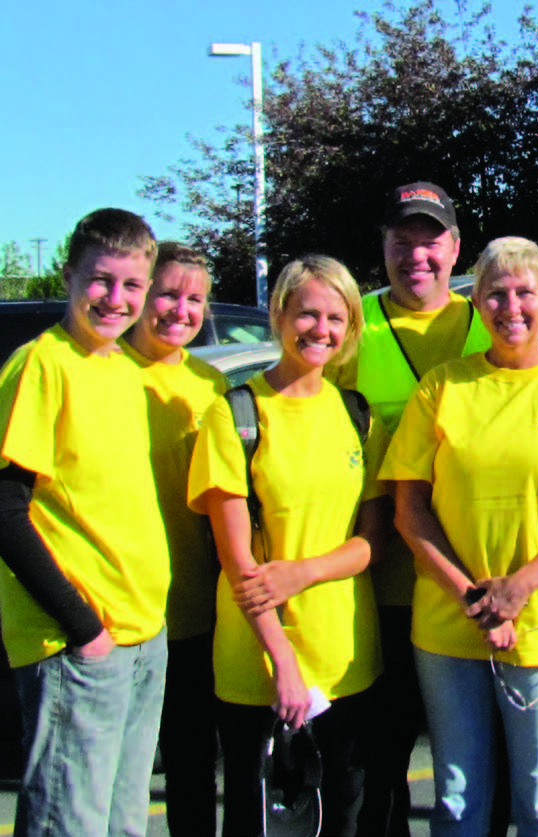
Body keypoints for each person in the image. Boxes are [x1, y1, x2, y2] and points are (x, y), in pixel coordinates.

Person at [382, 236, 538, 836]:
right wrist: (473, 596)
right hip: (449, 628)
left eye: (525, 292)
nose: (511, 306)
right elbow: (408, 508)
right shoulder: (442, 388)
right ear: (478, 302)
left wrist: (518, 588)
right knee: (458, 802)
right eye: (496, 293)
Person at [188, 255, 386, 836]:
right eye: (307, 314)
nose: (320, 330)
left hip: (348, 660)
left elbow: (372, 542)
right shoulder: (236, 415)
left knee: (341, 818)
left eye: (335, 317)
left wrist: (301, 572)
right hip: (261, 668)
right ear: (278, 314)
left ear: (350, 328)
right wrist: (284, 664)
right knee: (261, 824)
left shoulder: (355, 415)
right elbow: (238, 561)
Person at [0, 208, 169, 837]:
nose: (115, 298)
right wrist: (83, 627)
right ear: (69, 275)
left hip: (141, 634)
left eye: (131, 285)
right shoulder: (42, 364)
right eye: (101, 280)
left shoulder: (123, 370)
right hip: (77, 644)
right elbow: (5, 509)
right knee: (68, 826)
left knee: (123, 824)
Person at [335, 182, 494, 837]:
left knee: (486, 765)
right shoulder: (351, 326)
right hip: (380, 589)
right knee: (379, 762)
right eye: (402, 242)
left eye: (431, 241)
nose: (416, 256)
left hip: (480, 585)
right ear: (384, 246)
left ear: (456, 247)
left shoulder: (496, 316)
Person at [122, 242, 226, 837]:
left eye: (194, 299)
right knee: (121, 776)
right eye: (167, 294)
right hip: (119, 612)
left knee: (191, 769)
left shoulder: (211, 385)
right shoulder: (107, 374)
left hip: (193, 611)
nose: (179, 310)